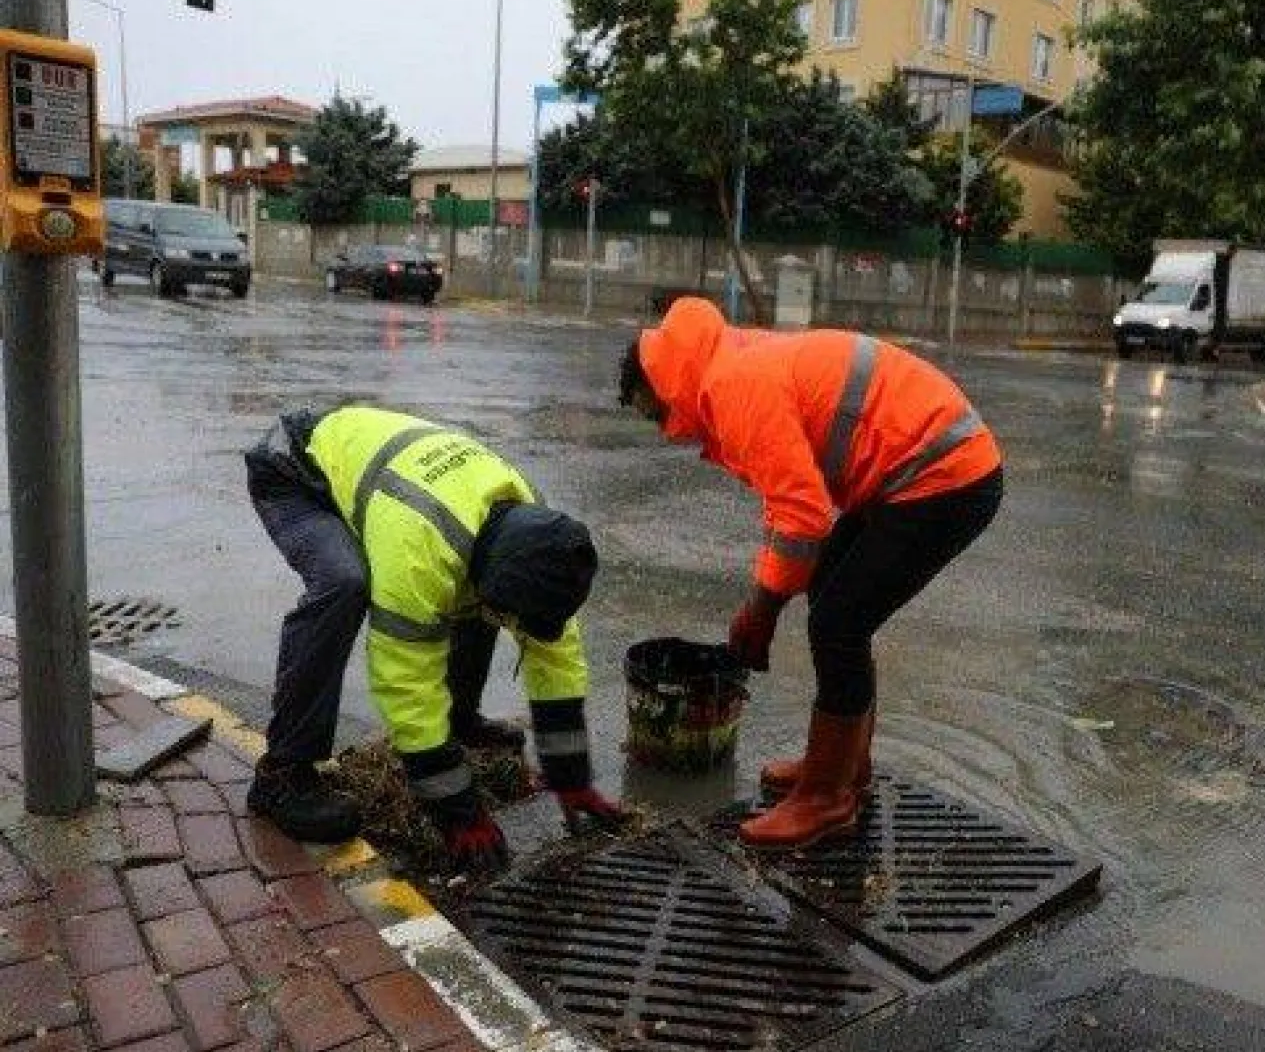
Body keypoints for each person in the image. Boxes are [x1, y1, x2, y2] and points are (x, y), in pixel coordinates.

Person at [619, 297, 1004, 849]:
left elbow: (802, 517)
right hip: (914, 470)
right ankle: (844, 768)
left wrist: (761, 611)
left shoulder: (732, 387)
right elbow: (788, 500)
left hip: (943, 476)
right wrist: (767, 598)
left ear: (661, 385)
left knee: (839, 624)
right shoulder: (726, 363)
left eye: (651, 413)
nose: (661, 429)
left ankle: (826, 800)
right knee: (832, 596)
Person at [243, 404, 624, 873]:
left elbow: (556, 656)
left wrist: (571, 777)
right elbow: (406, 684)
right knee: (344, 584)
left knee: (478, 593)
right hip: (295, 470)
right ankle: (282, 774)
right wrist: (458, 812)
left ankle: (459, 719)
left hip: (381, 473)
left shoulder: (537, 533)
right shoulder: (418, 549)